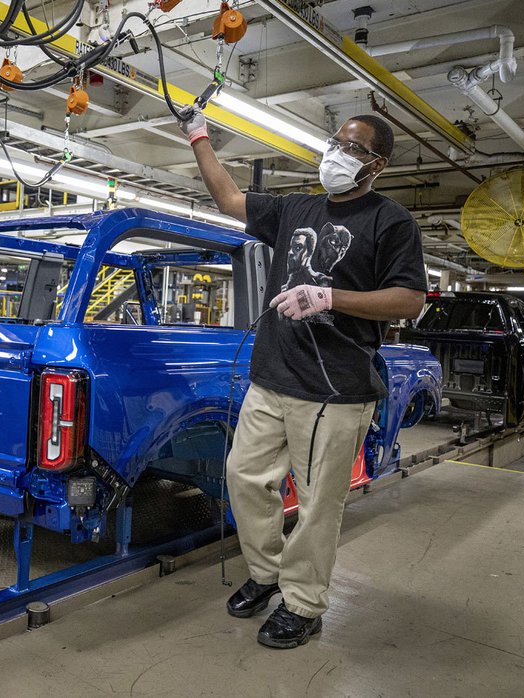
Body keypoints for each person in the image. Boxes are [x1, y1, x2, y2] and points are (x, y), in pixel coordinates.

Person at [178, 110, 426, 648]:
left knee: (317, 505)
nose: (336, 153)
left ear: (376, 164)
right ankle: (266, 575)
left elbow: (409, 299)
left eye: (353, 148)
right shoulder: (295, 207)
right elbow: (228, 200)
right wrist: (199, 137)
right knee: (244, 478)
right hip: (271, 377)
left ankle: (304, 603)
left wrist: (330, 297)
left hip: (334, 390)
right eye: (335, 141)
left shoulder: (391, 222)